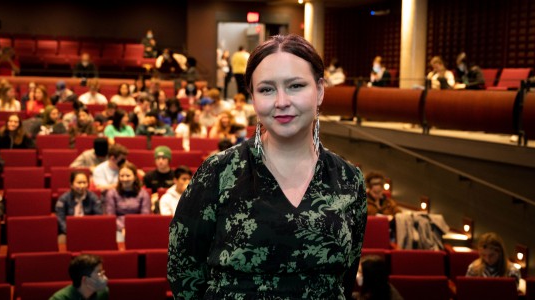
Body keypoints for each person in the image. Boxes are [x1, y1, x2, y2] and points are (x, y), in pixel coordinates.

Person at [168, 34, 367, 299]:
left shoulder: (349, 179)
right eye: (266, 89)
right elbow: (184, 271)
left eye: (295, 86)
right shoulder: (218, 173)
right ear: (252, 96)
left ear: (319, 90)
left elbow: (346, 276)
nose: (281, 101)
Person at [105, 162, 150, 240]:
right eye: (122, 176)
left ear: (135, 177)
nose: (124, 179)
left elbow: (144, 216)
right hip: (117, 228)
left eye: (128, 176)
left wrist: (131, 229)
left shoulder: (143, 194)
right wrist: (122, 228)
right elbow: (110, 216)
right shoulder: (111, 193)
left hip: (138, 227)